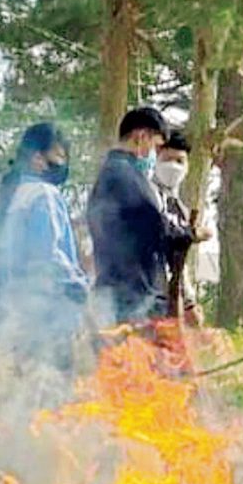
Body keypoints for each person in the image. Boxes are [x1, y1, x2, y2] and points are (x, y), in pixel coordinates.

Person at [0, 122, 89, 374]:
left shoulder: (16, 195)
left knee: (29, 395)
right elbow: (49, 256)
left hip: (20, 316)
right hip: (48, 316)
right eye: (58, 156)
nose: (63, 165)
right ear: (37, 157)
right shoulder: (44, 194)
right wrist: (82, 288)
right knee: (52, 397)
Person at [87, 107, 192, 325]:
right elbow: (157, 227)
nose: (154, 154)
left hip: (119, 289)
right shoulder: (126, 176)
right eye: (155, 146)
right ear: (140, 137)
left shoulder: (113, 173)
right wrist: (189, 233)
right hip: (132, 294)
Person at [152, 128, 208, 320]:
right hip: (145, 299)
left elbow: (179, 264)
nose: (173, 167)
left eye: (179, 161)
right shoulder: (146, 196)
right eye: (167, 160)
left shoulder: (180, 209)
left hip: (171, 300)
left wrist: (190, 301)